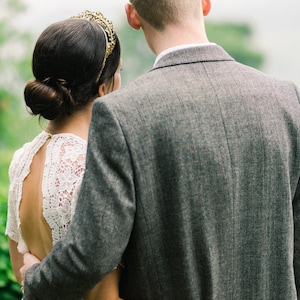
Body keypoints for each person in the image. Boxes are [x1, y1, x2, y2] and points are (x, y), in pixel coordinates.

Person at [20, 0, 300, 299]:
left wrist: (34, 279)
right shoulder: (286, 99)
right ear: (205, 4)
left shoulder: (121, 114)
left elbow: (91, 252)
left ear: (133, 16)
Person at [5, 10, 122, 300]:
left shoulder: (22, 160)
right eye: (119, 73)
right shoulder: (94, 166)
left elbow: (22, 273)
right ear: (105, 87)